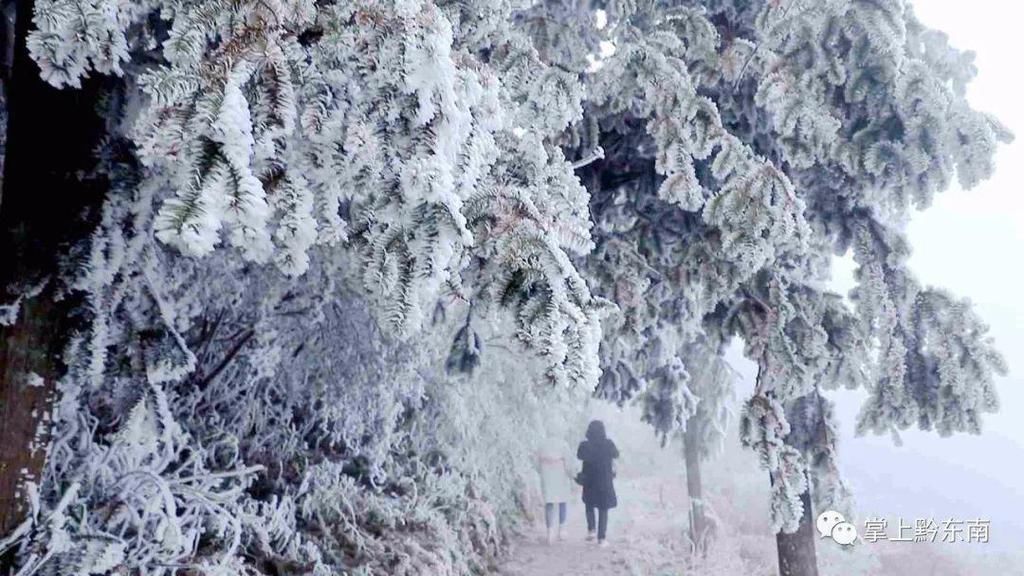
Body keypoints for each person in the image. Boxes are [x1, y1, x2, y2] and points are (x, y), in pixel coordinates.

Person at [577, 419, 619, 547]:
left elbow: (579, 456)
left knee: (589, 504)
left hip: (589, 479)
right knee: (603, 508)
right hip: (604, 480)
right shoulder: (608, 444)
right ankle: (602, 538)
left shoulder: (584, 445)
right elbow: (616, 454)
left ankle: (591, 530)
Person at [536, 436, 573, 544]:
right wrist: (570, 474)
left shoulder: (542, 444)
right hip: (560, 475)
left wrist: (542, 472)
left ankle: (549, 532)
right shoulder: (563, 444)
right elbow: (568, 463)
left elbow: (536, 462)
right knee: (562, 501)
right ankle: (562, 530)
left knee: (549, 503)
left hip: (547, 476)